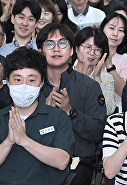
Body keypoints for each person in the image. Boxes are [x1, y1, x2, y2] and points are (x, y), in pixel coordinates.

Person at [36, 23, 106, 185]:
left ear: (72, 50)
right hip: (39, 158)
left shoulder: (89, 86)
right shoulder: (33, 86)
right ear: (41, 51)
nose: (56, 49)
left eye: (62, 43)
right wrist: (45, 114)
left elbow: (98, 132)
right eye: (49, 44)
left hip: (78, 161)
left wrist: (70, 112)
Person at [0, 47, 74, 184]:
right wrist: (8, 142)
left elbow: (63, 161)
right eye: (17, 79)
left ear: (41, 83)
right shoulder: (1, 117)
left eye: (31, 80)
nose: (24, 85)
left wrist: (24, 140)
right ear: (8, 83)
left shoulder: (58, 117)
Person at [73, 27, 116, 116]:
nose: (92, 53)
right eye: (88, 47)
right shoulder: (65, 73)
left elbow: (108, 109)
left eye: (97, 50)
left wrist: (97, 80)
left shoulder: (106, 78)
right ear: (76, 48)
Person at [100, 12, 127, 105]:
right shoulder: (91, 54)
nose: (115, 34)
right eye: (111, 28)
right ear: (102, 28)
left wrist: (110, 67)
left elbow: (124, 92)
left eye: (121, 30)